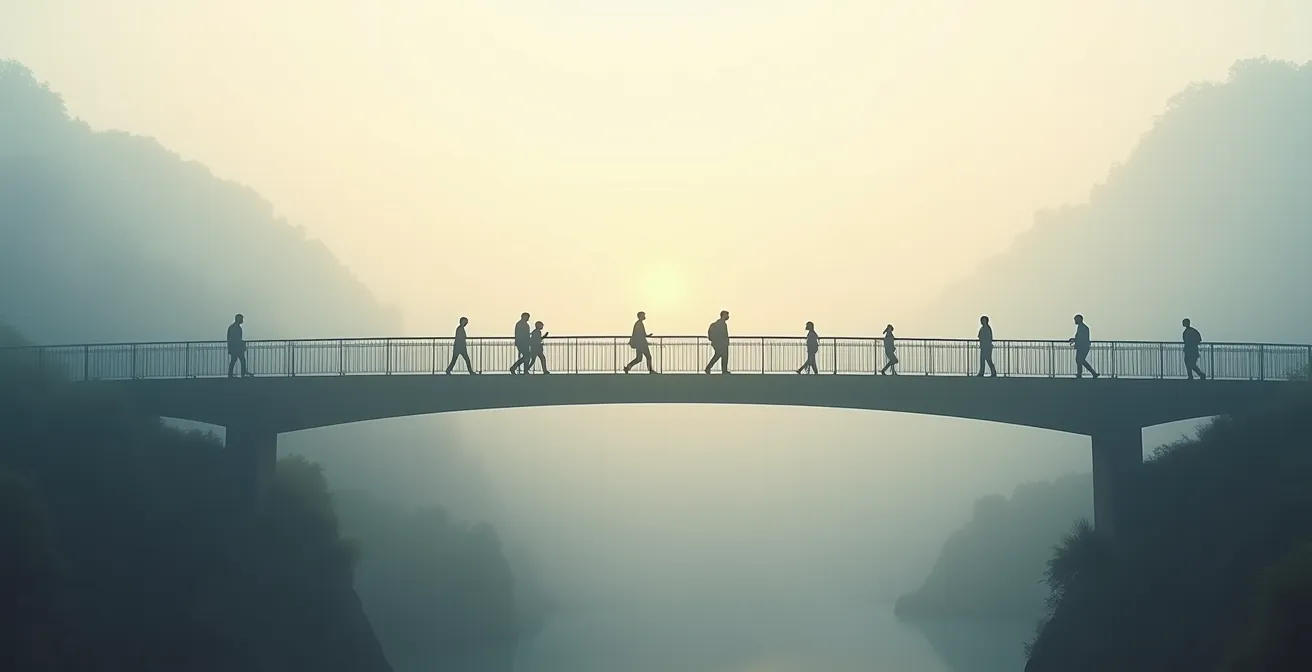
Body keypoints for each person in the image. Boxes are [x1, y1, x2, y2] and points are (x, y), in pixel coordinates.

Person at [1068, 314, 1099, 378]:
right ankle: (1085, 373)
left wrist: (1075, 340)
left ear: (1079, 319)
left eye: (1075, 319)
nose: (1075, 321)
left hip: (1083, 347)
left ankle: (1090, 373)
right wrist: (1074, 340)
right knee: (1079, 360)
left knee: (1080, 360)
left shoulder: (1083, 327)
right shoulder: (1082, 327)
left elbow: (1082, 337)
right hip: (1081, 347)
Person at [226, 313, 251, 378]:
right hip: (236, 347)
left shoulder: (232, 327)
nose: (242, 320)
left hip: (234, 347)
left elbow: (229, 338)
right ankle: (242, 374)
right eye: (241, 319)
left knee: (234, 360)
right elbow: (236, 339)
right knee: (241, 360)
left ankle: (231, 374)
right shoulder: (236, 328)